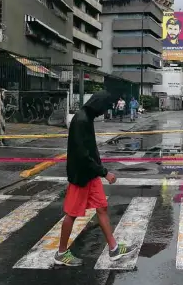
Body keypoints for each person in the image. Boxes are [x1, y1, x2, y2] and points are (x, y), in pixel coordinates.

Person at [54, 91, 136, 266]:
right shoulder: (81, 120)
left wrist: (99, 170)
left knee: (102, 208)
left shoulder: (87, 117)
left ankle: (114, 249)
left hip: (91, 174)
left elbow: (89, 151)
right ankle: (61, 253)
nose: (104, 111)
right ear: (98, 104)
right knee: (72, 214)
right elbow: (82, 155)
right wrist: (104, 172)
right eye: (104, 107)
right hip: (81, 176)